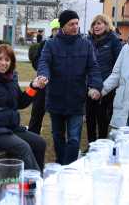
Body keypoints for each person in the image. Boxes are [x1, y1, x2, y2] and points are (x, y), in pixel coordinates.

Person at [37, 10, 103, 165]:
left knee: (74, 138)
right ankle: (61, 164)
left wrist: (95, 86)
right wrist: (43, 75)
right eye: (71, 24)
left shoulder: (85, 44)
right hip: (56, 98)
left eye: (77, 23)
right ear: (62, 26)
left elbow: (93, 67)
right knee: (57, 136)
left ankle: (69, 168)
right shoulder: (51, 44)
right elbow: (44, 62)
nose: (75, 27)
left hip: (76, 99)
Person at [86, 14, 122, 144]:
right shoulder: (88, 40)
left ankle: (101, 144)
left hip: (106, 87)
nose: (96, 26)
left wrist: (106, 85)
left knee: (102, 118)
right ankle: (91, 145)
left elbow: (118, 65)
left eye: (99, 23)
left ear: (106, 25)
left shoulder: (114, 41)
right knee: (90, 117)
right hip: (89, 86)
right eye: (94, 24)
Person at [28, 18, 60, 134]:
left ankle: (57, 135)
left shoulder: (65, 45)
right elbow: (36, 60)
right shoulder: (44, 43)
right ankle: (33, 134)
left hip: (58, 84)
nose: (57, 32)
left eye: (59, 29)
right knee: (37, 110)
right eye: (55, 29)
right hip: (43, 83)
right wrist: (43, 70)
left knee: (57, 114)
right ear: (52, 30)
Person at [101, 31, 129, 128]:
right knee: (120, 141)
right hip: (122, 110)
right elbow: (116, 75)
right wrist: (101, 90)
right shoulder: (126, 49)